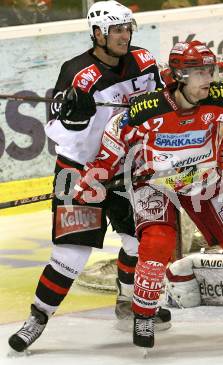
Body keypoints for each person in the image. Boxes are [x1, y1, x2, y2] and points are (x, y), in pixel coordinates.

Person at [73, 40, 223, 349]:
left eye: (209, 70)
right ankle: (143, 315)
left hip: (205, 177)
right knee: (157, 241)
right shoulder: (148, 109)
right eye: (199, 73)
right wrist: (97, 174)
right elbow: (116, 134)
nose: (208, 79)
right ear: (179, 76)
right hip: (156, 182)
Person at [8, 0, 169, 353]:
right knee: (71, 255)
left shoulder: (144, 62)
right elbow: (56, 131)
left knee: (140, 244)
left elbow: (160, 106)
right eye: (116, 30)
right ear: (97, 33)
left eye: (127, 29)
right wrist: (74, 118)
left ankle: (129, 301)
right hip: (82, 172)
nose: (124, 36)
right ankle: (37, 317)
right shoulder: (77, 72)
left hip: (128, 168)